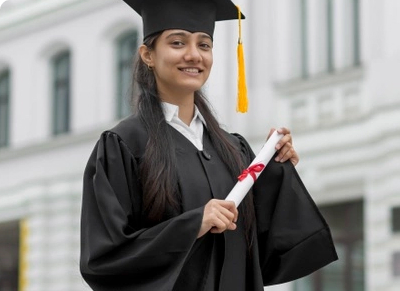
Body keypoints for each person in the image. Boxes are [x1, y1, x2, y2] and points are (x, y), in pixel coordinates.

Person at [79, 0, 337, 290]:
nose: (193, 55)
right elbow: (104, 260)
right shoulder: (123, 146)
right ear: (147, 55)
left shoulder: (232, 149)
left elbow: (268, 246)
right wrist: (193, 225)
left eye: (204, 45)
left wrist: (273, 167)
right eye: (177, 43)